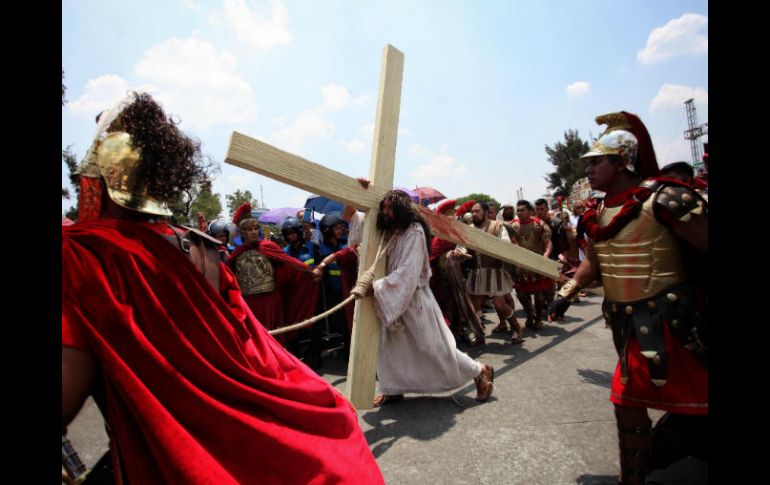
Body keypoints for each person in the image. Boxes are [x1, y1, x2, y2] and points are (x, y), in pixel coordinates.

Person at [62, 92, 383, 484]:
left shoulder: (80, 255)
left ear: (97, 178)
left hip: (169, 457)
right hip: (235, 439)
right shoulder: (205, 250)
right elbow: (256, 358)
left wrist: (314, 269)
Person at [550, 111, 708, 485]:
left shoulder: (666, 199)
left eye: (597, 162)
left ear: (621, 162)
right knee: (627, 403)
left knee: (695, 402)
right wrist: (566, 293)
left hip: (676, 321)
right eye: (587, 163)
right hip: (629, 324)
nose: (588, 170)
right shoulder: (598, 211)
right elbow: (594, 262)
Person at [354, 187, 495, 407]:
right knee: (393, 349)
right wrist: (361, 192)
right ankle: (392, 388)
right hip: (392, 298)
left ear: (401, 209)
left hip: (414, 299)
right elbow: (358, 226)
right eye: (383, 209)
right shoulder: (392, 230)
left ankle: (479, 371)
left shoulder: (415, 231)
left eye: (390, 209)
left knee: (435, 347)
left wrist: (378, 288)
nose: (385, 213)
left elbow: (409, 272)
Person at [227, 203, 320, 348]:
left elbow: (290, 260)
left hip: (275, 298)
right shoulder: (238, 252)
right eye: (249, 229)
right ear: (243, 233)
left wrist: (309, 270)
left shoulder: (307, 245)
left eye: (255, 229)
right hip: (249, 301)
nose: (253, 232)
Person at [464, 201, 523, 343]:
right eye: (473, 211)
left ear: (485, 212)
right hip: (477, 271)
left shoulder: (497, 226)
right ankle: (479, 335)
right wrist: (460, 252)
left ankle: (517, 328)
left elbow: (506, 244)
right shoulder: (469, 229)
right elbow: (462, 246)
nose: (474, 214)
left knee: (499, 304)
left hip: (495, 271)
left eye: (477, 211)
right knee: (474, 306)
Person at [510, 199, 553, 331]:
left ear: (530, 211)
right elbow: (511, 243)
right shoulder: (512, 226)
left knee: (539, 296)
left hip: (537, 265)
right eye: (518, 210)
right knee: (522, 295)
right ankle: (530, 315)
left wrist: (546, 255)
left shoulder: (539, 224)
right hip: (521, 266)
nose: (519, 212)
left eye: (522, 210)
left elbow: (548, 243)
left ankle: (539, 319)